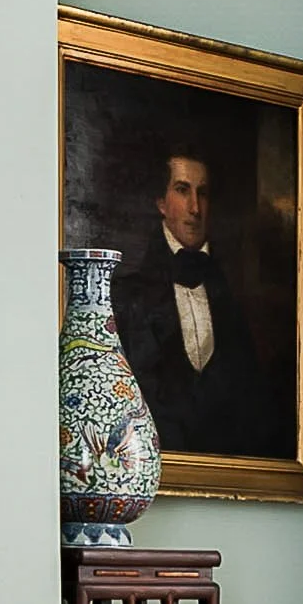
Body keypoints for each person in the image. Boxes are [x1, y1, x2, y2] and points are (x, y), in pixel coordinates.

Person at [112, 149, 270, 458]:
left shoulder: (235, 296)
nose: (195, 208)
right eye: (182, 190)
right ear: (161, 203)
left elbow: (253, 402)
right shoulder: (126, 295)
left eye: (203, 194)